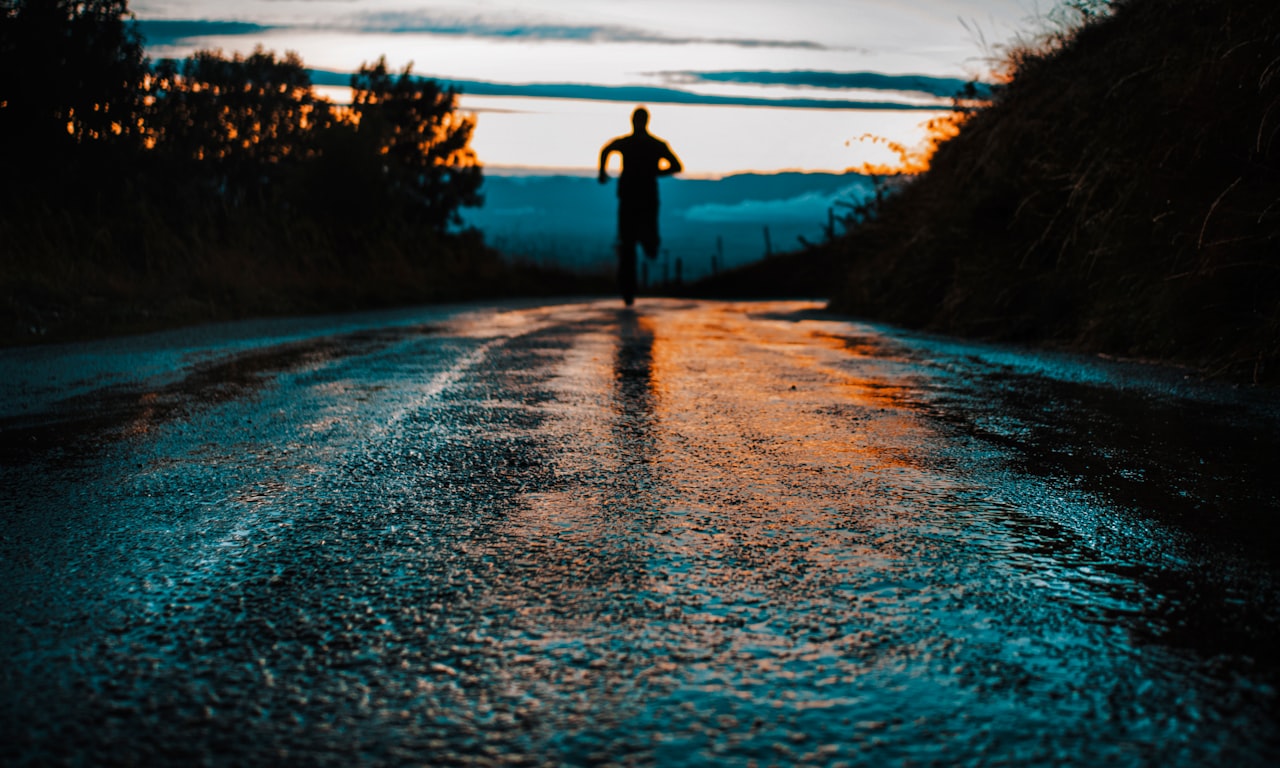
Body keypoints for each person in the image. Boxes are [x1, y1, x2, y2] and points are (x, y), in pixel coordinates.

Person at [598, 107, 683, 306]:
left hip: (632, 198)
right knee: (631, 243)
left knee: (630, 243)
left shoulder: (631, 143)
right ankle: (628, 289)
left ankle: (629, 286)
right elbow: (675, 166)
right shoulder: (656, 145)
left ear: (633, 121)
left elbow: (606, 149)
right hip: (643, 198)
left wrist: (602, 172)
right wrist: (654, 171)